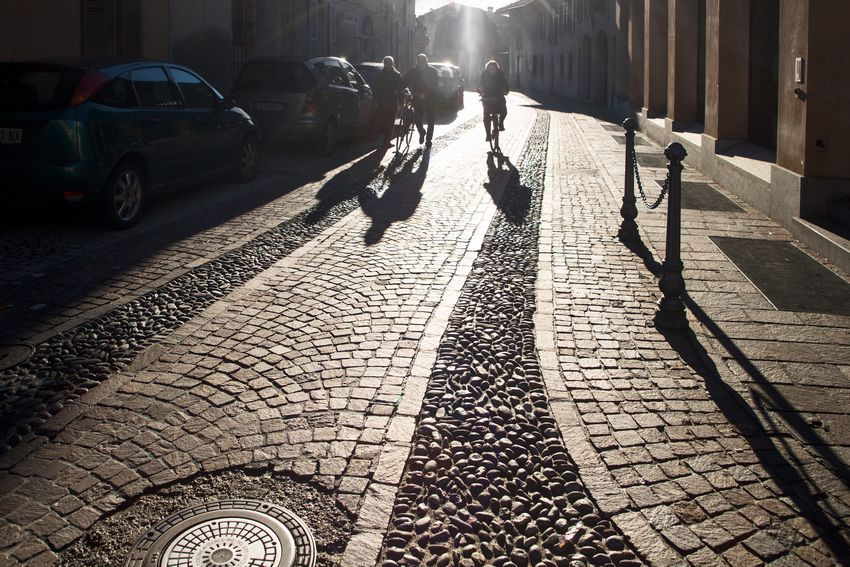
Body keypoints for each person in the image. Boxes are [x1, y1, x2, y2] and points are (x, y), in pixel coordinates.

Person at [404, 53, 439, 147]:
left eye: (423, 61)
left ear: (426, 61)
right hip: (417, 99)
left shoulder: (432, 71)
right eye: (419, 61)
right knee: (417, 119)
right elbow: (405, 81)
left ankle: (428, 140)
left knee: (430, 121)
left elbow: (435, 85)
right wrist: (399, 88)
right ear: (417, 62)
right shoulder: (413, 71)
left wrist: (427, 93)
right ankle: (422, 132)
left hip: (430, 100)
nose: (421, 63)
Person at [372, 56, 404, 148]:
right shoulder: (380, 74)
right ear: (384, 64)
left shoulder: (396, 75)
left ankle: (386, 142)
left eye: (389, 63)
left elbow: (401, 87)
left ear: (392, 64)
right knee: (382, 122)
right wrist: (376, 101)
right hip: (382, 102)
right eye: (386, 63)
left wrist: (398, 92)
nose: (388, 65)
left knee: (389, 123)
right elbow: (376, 88)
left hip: (392, 103)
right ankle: (379, 140)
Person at [478, 60, 509, 142]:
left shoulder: (500, 74)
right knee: (486, 118)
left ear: (496, 68)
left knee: (504, 112)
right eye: (490, 68)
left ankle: (500, 123)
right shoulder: (484, 74)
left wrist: (506, 90)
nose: (492, 70)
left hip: (498, 97)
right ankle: (488, 135)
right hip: (487, 98)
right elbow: (480, 84)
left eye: (493, 68)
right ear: (487, 68)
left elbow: (505, 83)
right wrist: (480, 90)